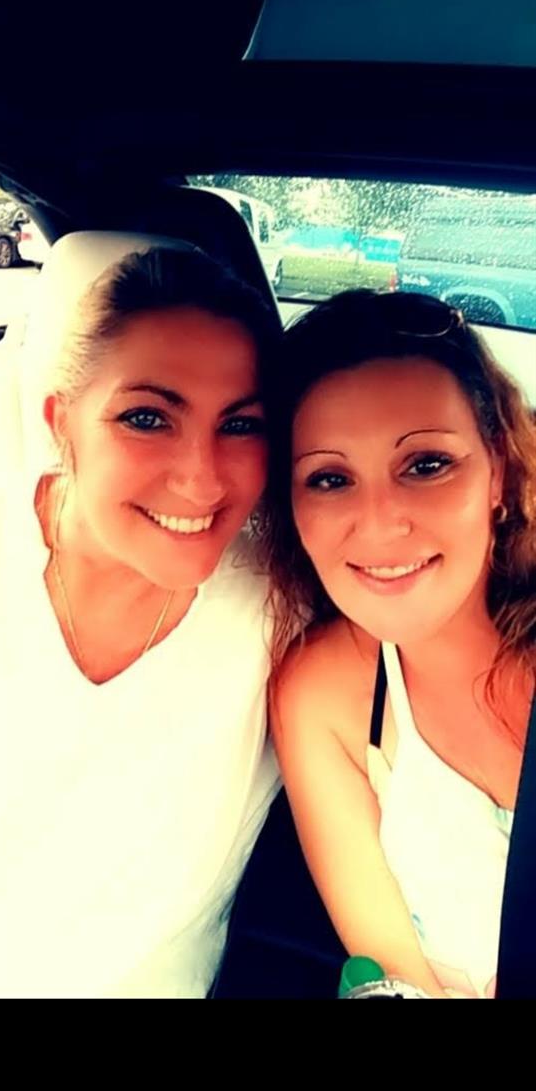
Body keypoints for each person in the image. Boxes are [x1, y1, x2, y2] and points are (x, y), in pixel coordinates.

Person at [218, 288, 535, 1000]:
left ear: (500, 474)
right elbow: (398, 980)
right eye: (329, 477)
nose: (379, 521)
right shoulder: (324, 696)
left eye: (425, 464)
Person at [0, 231, 283, 998]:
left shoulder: (289, 597)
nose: (200, 478)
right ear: (61, 423)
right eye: (148, 418)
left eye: (241, 424)